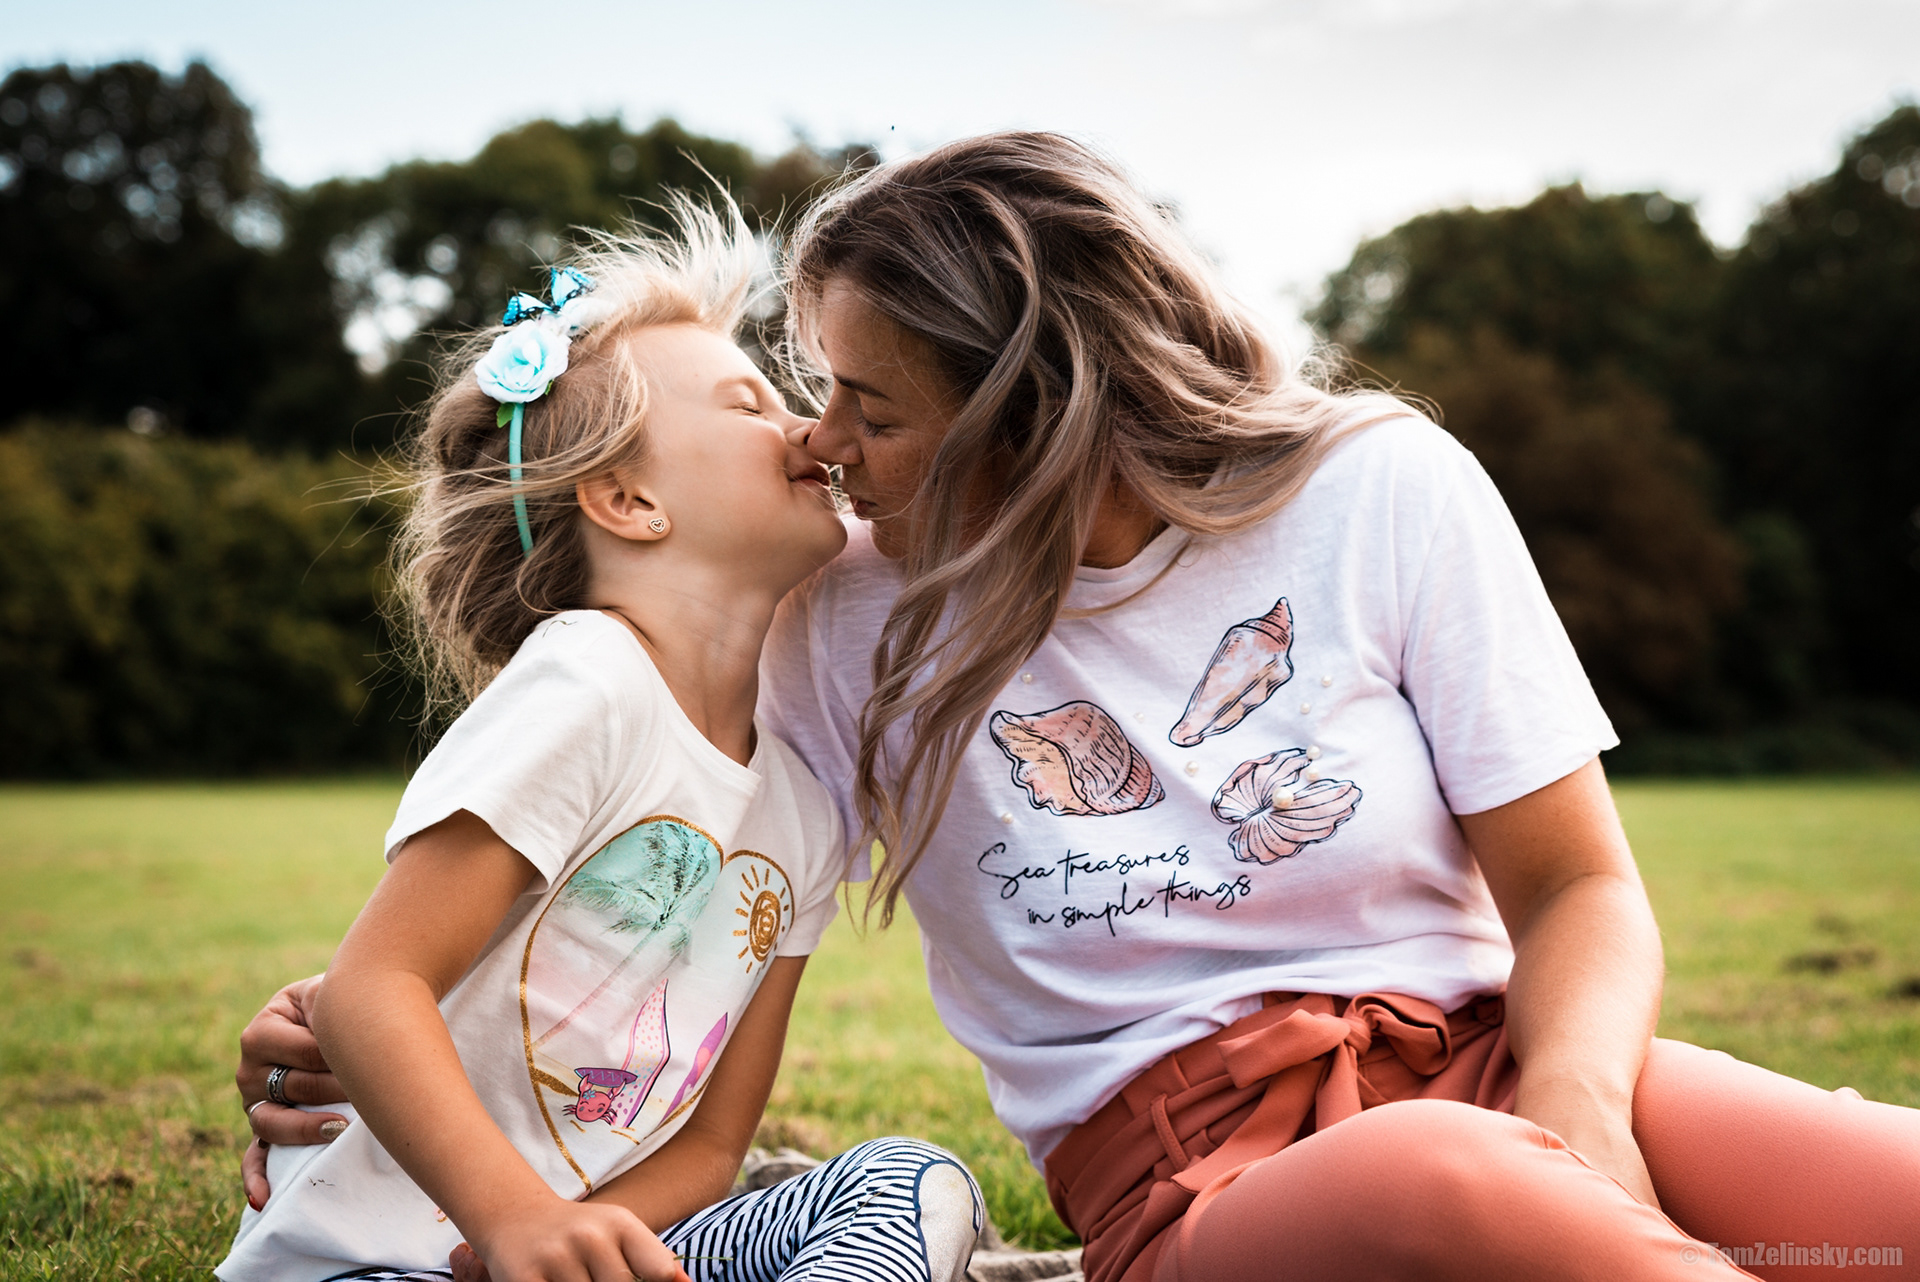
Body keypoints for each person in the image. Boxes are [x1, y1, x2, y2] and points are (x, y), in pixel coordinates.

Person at [239, 135, 1920, 1282]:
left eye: (866, 404)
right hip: (1202, 1166)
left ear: (1035, 403)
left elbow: (1575, 886)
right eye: (806, 393)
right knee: (1455, 1188)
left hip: (1494, 1051)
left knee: (1873, 1199)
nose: (822, 443)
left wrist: (1581, 1100)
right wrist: (345, 1020)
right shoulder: (842, 609)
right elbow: (650, 848)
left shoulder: (1383, 489)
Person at [219, 205, 983, 1282]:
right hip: (363, 1262)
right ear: (627, 500)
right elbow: (367, 990)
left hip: (552, 1256)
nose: (811, 432)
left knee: (905, 1179)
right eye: (749, 402)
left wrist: (584, 1248)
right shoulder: (589, 679)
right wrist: (514, 1218)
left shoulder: (807, 807)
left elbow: (716, 1145)